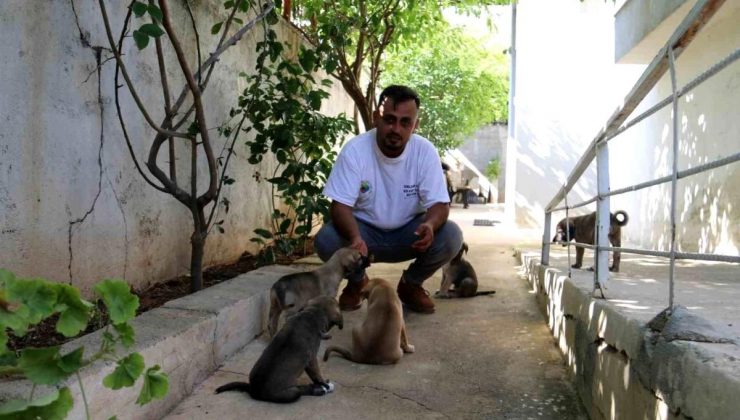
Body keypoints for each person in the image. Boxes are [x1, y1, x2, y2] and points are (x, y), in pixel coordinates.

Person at [314, 85, 463, 314]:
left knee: (451, 236)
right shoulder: (355, 150)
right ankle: (358, 282)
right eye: (390, 120)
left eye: (405, 122)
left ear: (415, 125)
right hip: (364, 235)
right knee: (326, 239)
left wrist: (430, 225)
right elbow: (340, 206)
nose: (396, 129)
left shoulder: (425, 151)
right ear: (377, 118)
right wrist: (354, 237)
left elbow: (439, 205)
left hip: (409, 234)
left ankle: (410, 285)